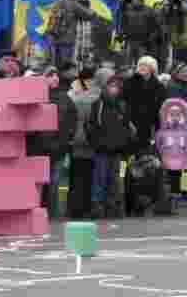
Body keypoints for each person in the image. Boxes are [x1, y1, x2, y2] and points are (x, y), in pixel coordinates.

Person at [28, 66, 76, 220]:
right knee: (38, 183)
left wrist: (65, 140)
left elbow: (71, 121)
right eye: (50, 75)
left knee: (54, 183)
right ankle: (37, 212)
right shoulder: (34, 96)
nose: (54, 78)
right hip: (38, 147)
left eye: (56, 75)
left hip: (58, 148)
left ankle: (51, 213)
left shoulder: (64, 98)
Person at [86, 72, 135, 219]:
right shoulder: (97, 105)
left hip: (117, 150)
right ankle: (98, 206)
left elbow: (127, 127)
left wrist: (124, 143)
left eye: (116, 86)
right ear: (105, 87)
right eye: (111, 86)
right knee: (100, 178)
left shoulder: (122, 105)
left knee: (115, 179)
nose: (114, 89)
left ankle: (113, 206)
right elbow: (91, 127)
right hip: (102, 150)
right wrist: (96, 143)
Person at [68, 66, 101, 219]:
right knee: (87, 176)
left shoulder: (72, 93)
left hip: (74, 139)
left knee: (75, 176)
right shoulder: (95, 96)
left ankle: (74, 207)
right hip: (89, 139)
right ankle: (84, 207)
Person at [123, 56, 166, 151]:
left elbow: (161, 107)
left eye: (145, 65)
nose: (142, 67)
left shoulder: (159, 86)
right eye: (140, 64)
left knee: (146, 155)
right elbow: (123, 103)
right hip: (131, 124)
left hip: (149, 127)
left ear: (152, 68)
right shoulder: (129, 83)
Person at [154, 98, 187, 196]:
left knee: (179, 177)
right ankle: (167, 193)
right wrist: (158, 157)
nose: (175, 117)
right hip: (166, 159)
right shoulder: (162, 132)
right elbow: (157, 145)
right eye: (172, 114)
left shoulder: (185, 132)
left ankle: (178, 192)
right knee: (167, 177)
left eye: (177, 115)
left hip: (181, 160)